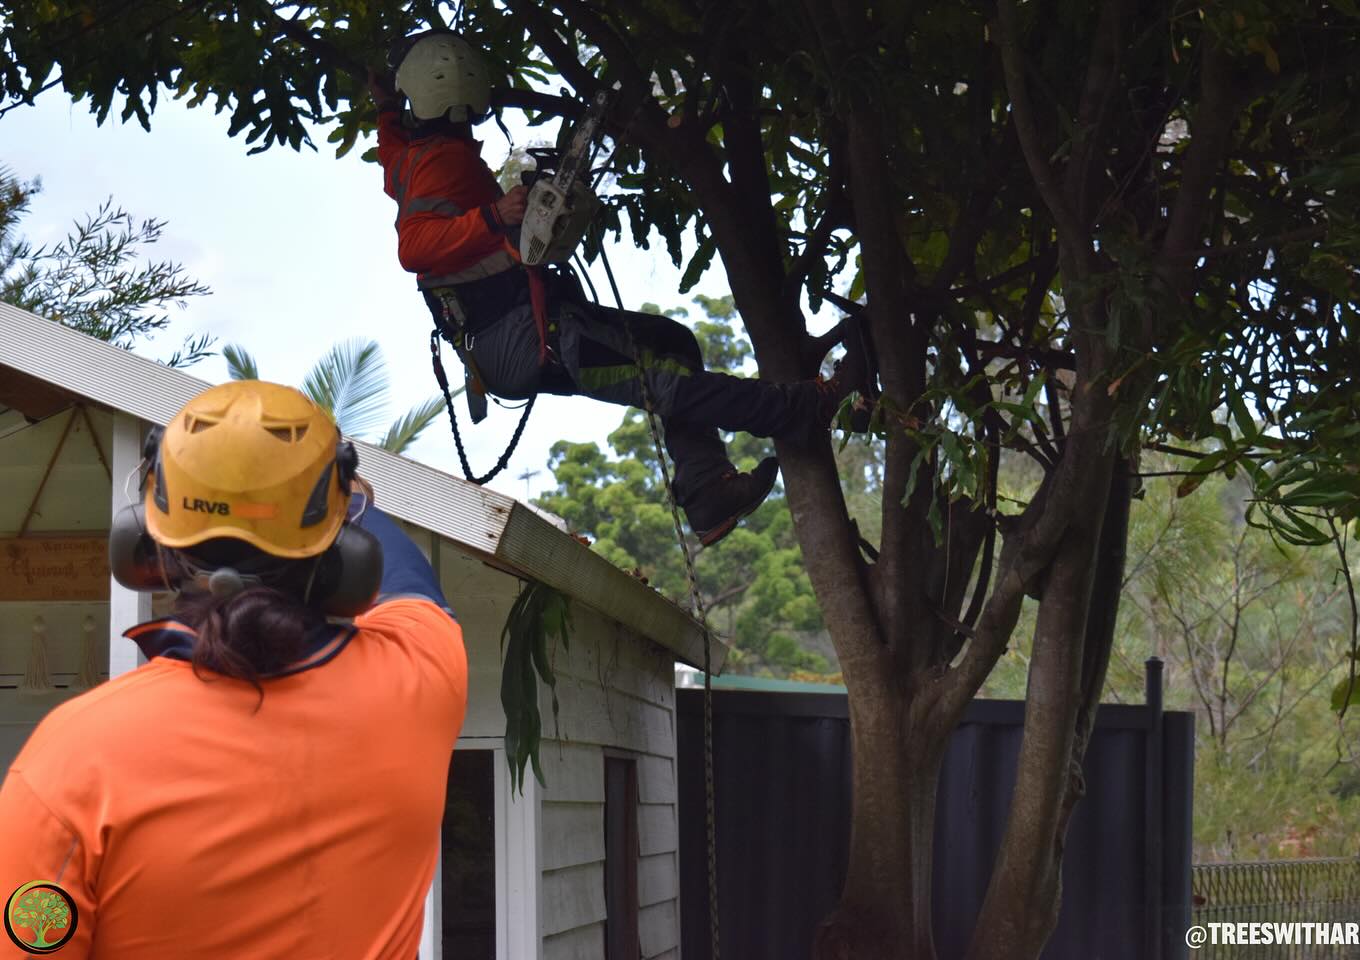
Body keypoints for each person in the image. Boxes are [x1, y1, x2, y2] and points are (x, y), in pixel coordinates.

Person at [0, 381, 465, 958]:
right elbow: (409, 584)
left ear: (147, 546)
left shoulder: (72, 754)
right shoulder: (420, 676)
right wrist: (326, 488)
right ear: (343, 546)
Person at [372, 29, 876, 546]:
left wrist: (386, 106)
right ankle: (805, 409)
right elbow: (415, 247)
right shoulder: (441, 161)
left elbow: (391, 150)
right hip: (522, 336)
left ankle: (706, 488)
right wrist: (494, 215)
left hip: (521, 330)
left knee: (671, 342)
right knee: (661, 379)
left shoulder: (413, 155)